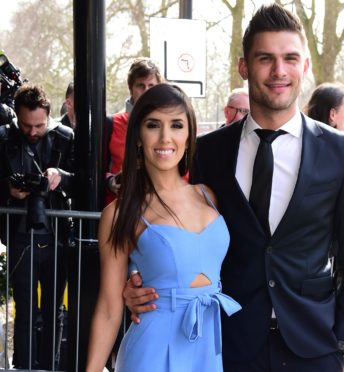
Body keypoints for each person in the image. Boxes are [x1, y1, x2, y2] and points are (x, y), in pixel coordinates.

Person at [124, 4, 344, 371]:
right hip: (227, 342)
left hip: (314, 346)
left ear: (304, 66)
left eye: (290, 58)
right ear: (244, 67)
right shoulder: (209, 151)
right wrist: (136, 281)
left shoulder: (342, 152)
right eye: (265, 58)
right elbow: (177, 228)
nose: (279, 71)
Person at [86, 83, 241, 371]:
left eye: (177, 125)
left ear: (189, 134)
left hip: (209, 348)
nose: (165, 137)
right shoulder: (119, 214)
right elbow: (109, 309)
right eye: (153, 125)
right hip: (152, 351)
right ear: (137, 136)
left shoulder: (209, 194)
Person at [0, 84, 75, 369]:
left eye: (39, 125)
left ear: (49, 116)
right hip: (19, 235)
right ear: (16, 117)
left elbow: (82, 181)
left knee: (54, 309)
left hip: (56, 234)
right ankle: (24, 366)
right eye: (26, 125)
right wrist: (8, 190)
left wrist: (61, 176)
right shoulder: (4, 138)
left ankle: (50, 365)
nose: (32, 131)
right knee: (26, 310)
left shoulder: (65, 137)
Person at [104, 57, 163, 206]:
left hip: (158, 210)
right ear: (131, 88)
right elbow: (95, 170)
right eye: (141, 86)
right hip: (119, 211)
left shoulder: (168, 126)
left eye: (151, 85)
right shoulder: (112, 123)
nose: (146, 91)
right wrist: (110, 181)